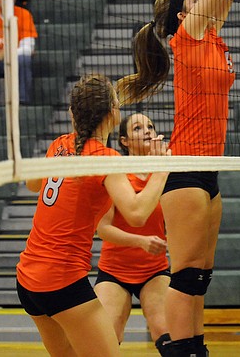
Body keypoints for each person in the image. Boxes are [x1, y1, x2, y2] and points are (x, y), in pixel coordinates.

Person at [115, 0, 240, 357]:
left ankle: (196, 349)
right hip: (187, 170)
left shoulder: (210, 37)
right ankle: (179, 350)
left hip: (208, 170)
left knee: (201, 276)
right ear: (181, 16)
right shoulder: (186, 36)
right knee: (186, 274)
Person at [16, 74, 169, 357]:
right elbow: (136, 214)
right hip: (61, 282)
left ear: (73, 114)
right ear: (113, 113)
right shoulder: (105, 158)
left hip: (27, 280)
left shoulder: (60, 145)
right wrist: (162, 169)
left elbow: (32, 184)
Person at [94, 113, 170, 354]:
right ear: (124, 141)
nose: (147, 130)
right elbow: (103, 229)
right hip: (114, 270)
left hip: (155, 270)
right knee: (106, 336)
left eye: (150, 126)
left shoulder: (167, 172)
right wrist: (141, 241)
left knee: (168, 333)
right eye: (138, 128)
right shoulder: (117, 175)